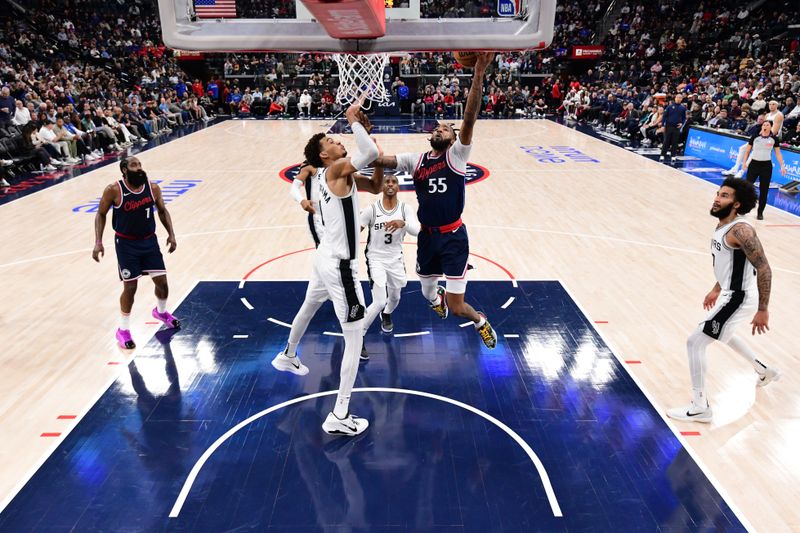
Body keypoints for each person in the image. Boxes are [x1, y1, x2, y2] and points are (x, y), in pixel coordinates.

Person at [370, 52, 498, 349]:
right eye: (437, 127)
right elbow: (382, 160)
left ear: (454, 139)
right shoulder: (416, 160)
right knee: (428, 295)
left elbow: (469, 118)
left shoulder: (456, 156)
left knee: (456, 308)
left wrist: (478, 73)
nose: (440, 129)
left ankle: (480, 320)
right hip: (427, 238)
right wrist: (367, 142)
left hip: (454, 238)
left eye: (446, 129)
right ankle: (436, 297)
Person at [271, 101, 383, 437]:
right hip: (342, 267)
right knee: (354, 336)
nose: (338, 141)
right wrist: (354, 121)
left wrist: (374, 147)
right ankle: (340, 412)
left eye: (337, 138)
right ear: (324, 156)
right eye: (331, 142)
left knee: (309, 304)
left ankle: (288, 354)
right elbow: (368, 150)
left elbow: (375, 186)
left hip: (324, 257)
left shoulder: (328, 174)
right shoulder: (334, 171)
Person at [667, 178, 780, 423]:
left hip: (740, 297)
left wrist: (763, 309)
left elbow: (764, 268)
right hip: (730, 293)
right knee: (723, 333)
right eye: (718, 193)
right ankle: (764, 370)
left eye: (725, 195)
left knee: (695, 342)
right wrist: (717, 287)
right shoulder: (725, 225)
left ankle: (700, 407)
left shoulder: (741, 230)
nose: (717, 198)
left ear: (737, 204)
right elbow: (731, 263)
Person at [92, 157, 180, 350]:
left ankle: (161, 312)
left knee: (163, 283)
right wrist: (98, 242)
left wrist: (171, 234)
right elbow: (100, 214)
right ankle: (123, 330)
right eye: (134, 165)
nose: (139, 168)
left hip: (149, 241)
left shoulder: (153, 188)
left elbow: (163, 211)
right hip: (126, 244)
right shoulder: (113, 190)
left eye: (140, 165)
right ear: (124, 170)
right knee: (130, 288)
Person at [359, 174, 420, 360]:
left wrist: (404, 223)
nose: (391, 184)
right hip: (375, 259)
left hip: (395, 259)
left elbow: (417, 231)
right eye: (387, 181)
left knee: (394, 297)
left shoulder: (405, 209)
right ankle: (358, 336)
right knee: (378, 301)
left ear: (398, 187)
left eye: (394, 182)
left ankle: (386, 314)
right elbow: (356, 231)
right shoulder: (371, 210)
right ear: (382, 187)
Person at [741, 120, 787, 220]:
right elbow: (748, 150)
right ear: (762, 127)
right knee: (747, 188)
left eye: (767, 125)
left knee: (764, 190)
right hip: (754, 164)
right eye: (764, 125)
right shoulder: (755, 137)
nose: (765, 126)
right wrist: (744, 162)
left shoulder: (774, 139)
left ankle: (760, 212)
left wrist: (782, 166)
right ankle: (744, 208)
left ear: (771, 127)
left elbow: (778, 154)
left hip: (766, 166)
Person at [288, 161, 325, 247]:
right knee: (327, 254)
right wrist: (302, 200)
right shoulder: (310, 165)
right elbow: (294, 188)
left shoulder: (337, 163)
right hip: (318, 218)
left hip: (336, 217)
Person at [660, 94, 686, 162]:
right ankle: (662, 155)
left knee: (675, 142)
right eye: (677, 97)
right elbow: (664, 116)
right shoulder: (669, 107)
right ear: (675, 98)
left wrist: (682, 124)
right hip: (668, 127)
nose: (678, 99)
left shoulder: (683, 108)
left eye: (680, 98)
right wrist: (663, 125)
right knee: (666, 141)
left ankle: (673, 156)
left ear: (681, 99)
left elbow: (684, 118)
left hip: (676, 127)